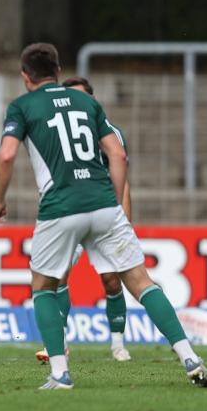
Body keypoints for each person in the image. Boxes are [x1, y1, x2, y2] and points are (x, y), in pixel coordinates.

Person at [0, 42, 207, 390]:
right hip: (104, 205)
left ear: (24, 77)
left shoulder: (22, 106)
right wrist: (112, 196)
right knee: (141, 282)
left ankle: (61, 373)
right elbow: (118, 154)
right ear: (59, 71)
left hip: (60, 207)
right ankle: (189, 356)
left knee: (43, 286)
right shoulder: (88, 102)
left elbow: (6, 156)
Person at [35, 76, 133, 363]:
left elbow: (124, 181)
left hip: (102, 212)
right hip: (68, 213)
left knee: (112, 280)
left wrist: (123, 218)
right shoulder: (54, 133)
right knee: (57, 274)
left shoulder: (108, 133)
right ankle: (59, 342)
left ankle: (118, 343)